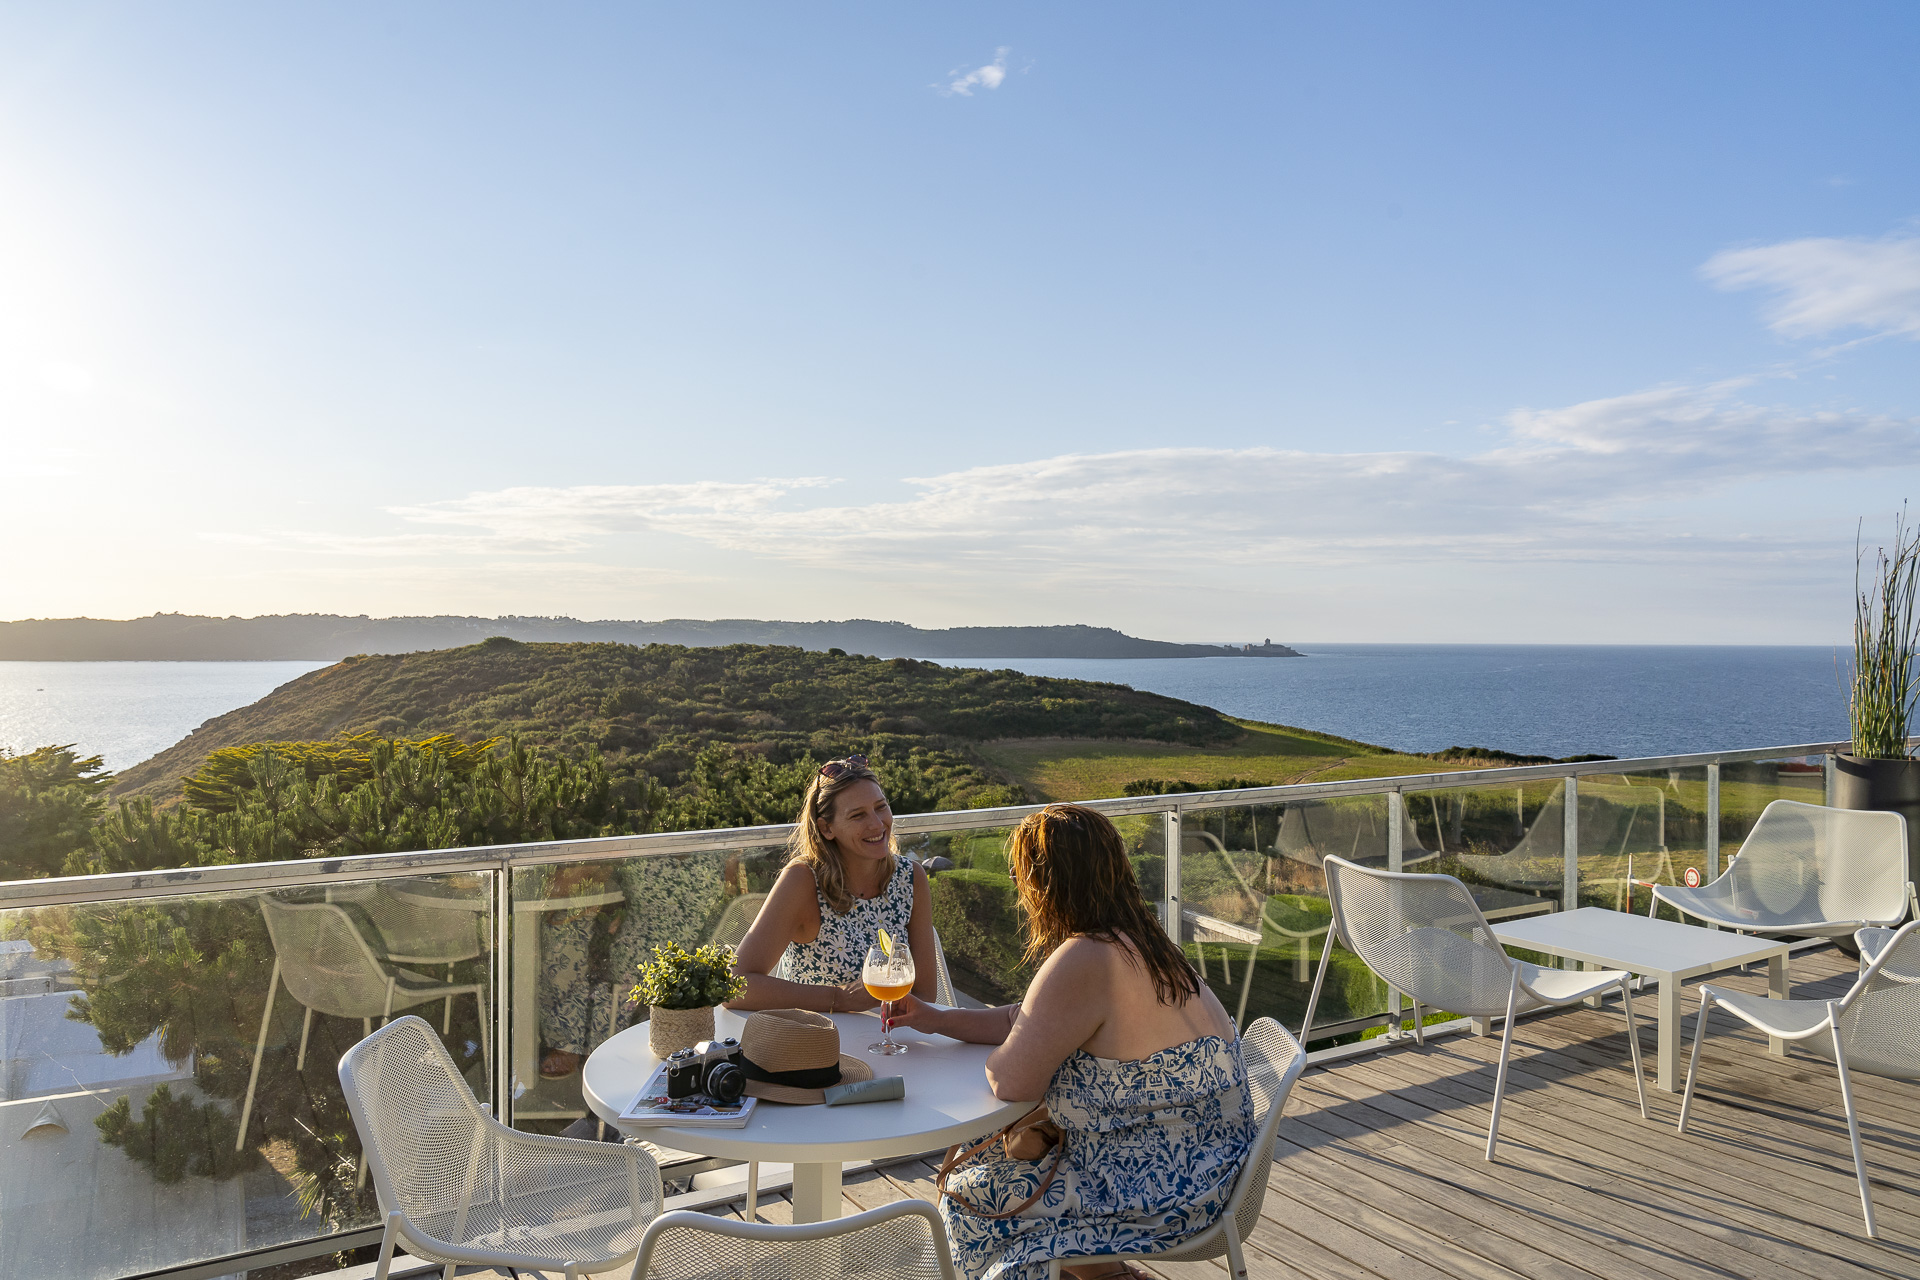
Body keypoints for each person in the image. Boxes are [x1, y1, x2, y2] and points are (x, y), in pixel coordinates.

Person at [890, 804, 1255, 1280]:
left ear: (1045, 887)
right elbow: (1021, 1019)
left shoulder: (1085, 957)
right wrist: (936, 1019)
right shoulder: (1146, 944)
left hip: (1164, 1194)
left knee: (974, 1193)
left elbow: (1010, 1080)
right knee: (994, 1168)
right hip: (1217, 1170)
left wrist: (1008, 1051)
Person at [728, 755, 939, 1013]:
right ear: (827, 828)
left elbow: (926, 995)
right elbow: (736, 986)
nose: (876, 823)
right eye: (857, 815)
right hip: (818, 1042)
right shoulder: (803, 880)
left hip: (889, 1041)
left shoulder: (910, 877)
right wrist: (839, 999)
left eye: (881, 807)